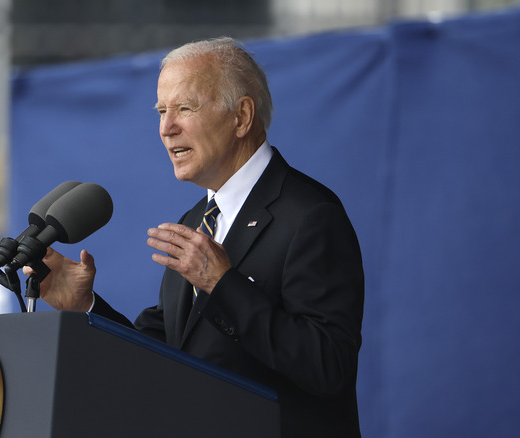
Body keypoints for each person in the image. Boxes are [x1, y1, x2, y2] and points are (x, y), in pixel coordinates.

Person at [26, 37, 364, 437]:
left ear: (241, 116)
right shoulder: (197, 221)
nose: (167, 128)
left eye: (184, 108)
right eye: (162, 111)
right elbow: (162, 356)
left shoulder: (310, 214)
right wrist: (87, 307)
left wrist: (222, 285)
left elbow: (328, 367)